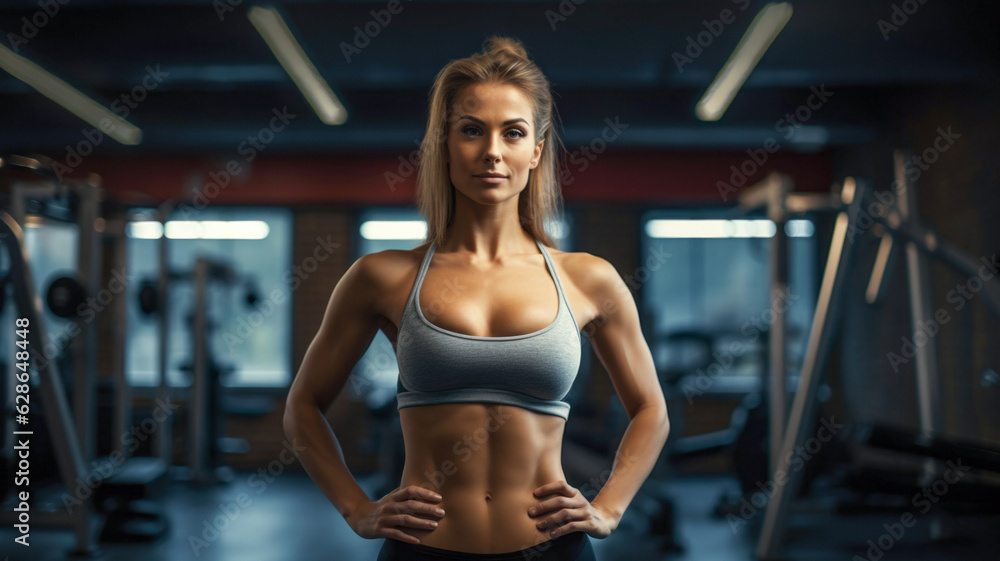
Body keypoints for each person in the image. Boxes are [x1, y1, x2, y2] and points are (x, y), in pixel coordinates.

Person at [283, 35, 669, 561]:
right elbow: (303, 407)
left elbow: (651, 410)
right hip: (423, 550)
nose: (492, 151)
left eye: (512, 133)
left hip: (551, 549)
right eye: (471, 131)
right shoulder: (384, 276)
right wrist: (356, 508)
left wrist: (610, 507)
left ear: (535, 150)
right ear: (444, 144)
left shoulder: (588, 279)